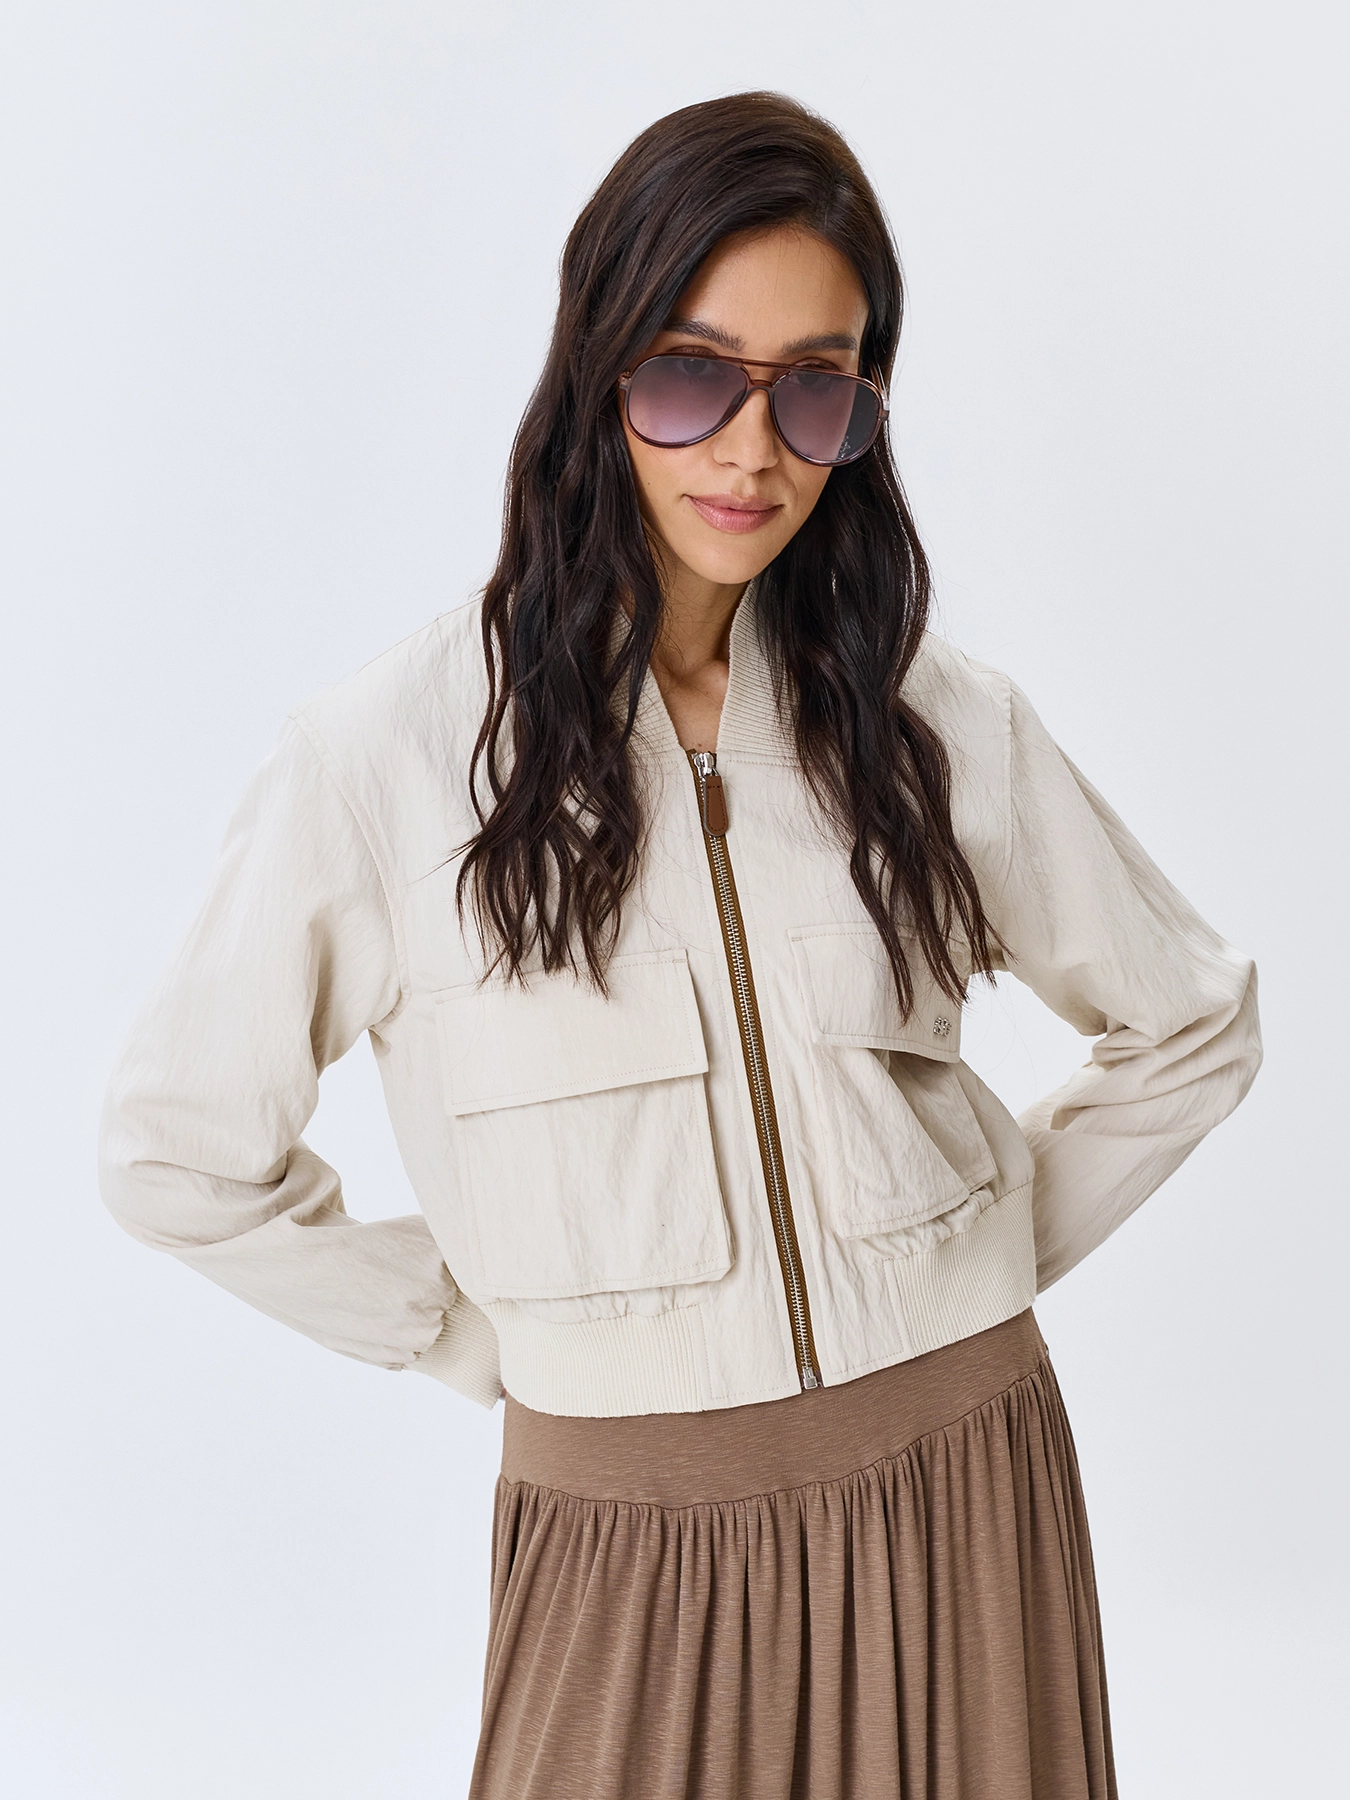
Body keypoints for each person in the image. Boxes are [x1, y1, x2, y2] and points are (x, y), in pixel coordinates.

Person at [100, 92, 1261, 1800]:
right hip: (625, 1534)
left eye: (815, 388)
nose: (749, 451)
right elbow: (176, 1154)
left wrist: (971, 1257)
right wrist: (470, 1335)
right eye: (688, 376)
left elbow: (1191, 1025)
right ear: (597, 375)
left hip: (961, 1490)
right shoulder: (387, 757)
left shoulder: (936, 724)